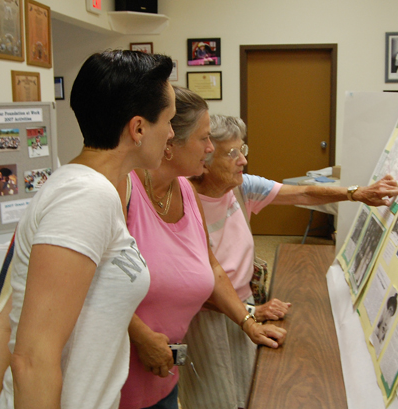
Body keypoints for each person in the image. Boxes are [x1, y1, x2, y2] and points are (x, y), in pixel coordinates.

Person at [0, 50, 176, 409]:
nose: (170, 133)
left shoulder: (104, 189)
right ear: (138, 128)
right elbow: (32, 359)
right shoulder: (83, 197)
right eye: (168, 121)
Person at [184, 114, 398, 409]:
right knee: (215, 399)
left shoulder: (240, 187)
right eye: (232, 153)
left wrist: (357, 194)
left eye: (243, 150)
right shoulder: (183, 200)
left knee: (249, 388)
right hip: (206, 315)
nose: (243, 161)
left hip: (244, 306)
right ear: (205, 158)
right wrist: (249, 312)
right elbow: (190, 285)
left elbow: (302, 192)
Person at [119, 88, 286, 409]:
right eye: (203, 139)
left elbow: (212, 268)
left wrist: (247, 320)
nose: (210, 149)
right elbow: (95, 283)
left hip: (166, 366)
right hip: (123, 366)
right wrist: (141, 336)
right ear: (170, 142)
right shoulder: (122, 191)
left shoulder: (185, 190)